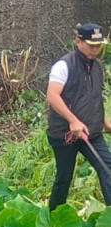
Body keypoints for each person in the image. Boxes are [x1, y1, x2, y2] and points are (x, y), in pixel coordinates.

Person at [47, 23, 111, 211]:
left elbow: (93, 97)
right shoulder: (64, 65)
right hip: (64, 133)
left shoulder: (97, 65)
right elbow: (52, 96)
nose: (95, 50)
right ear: (78, 41)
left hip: (91, 131)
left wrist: (104, 123)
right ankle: (54, 218)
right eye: (91, 45)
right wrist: (73, 121)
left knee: (107, 169)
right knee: (64, 176)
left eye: (98, 45)